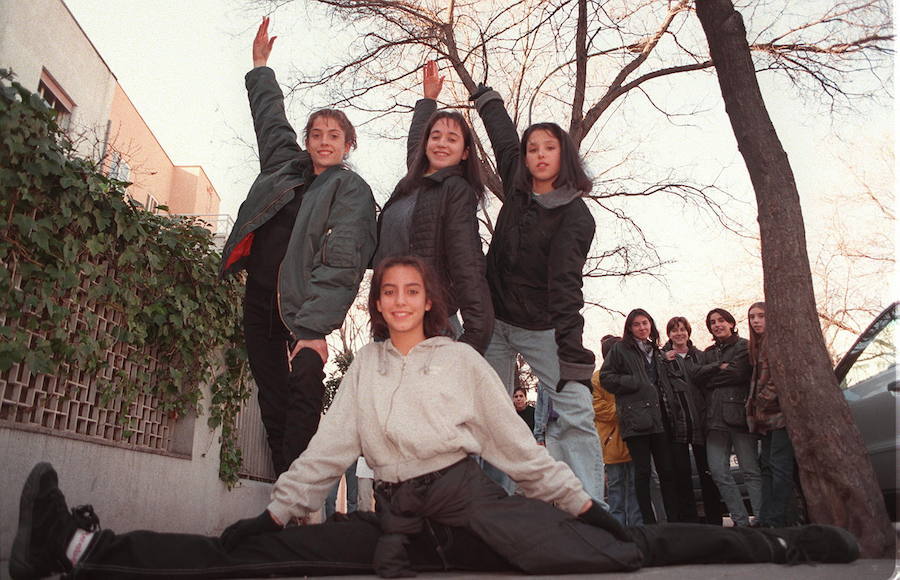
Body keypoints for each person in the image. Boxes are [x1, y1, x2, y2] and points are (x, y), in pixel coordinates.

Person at [11, 259, 860, 580]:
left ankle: (779, 544)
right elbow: (329, 452)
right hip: (393, 526)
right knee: (263, 555)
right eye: (390, 291)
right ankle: (84, 551)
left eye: (414, 291)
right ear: (377, 304)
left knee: (621, 549)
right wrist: (272, 512)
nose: (401, 300)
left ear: (430, 301)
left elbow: (515, 449)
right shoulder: (367, 370)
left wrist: (577, 504)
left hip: (478, 517)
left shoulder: (457, 362)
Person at [219, 17, 377, 475]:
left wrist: (313, 327)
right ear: (307, 141)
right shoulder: (286, 168)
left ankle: (301, 493)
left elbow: (343, 264)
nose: (324, 142)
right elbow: (270, 121)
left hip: (302, 312)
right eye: (317, 134)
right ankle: (284, 497)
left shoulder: (352, 192)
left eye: (334, 136)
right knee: (271, 399)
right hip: (259, 304)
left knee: (303, 392)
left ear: (348, 145)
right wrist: (260, 67)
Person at [468, 83, 605, 502]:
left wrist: (572, 357)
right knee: (485, 416)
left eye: (549, 147)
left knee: (575, 409)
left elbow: (565, 287)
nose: (539, 154)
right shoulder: (518, 185)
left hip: (542, 327)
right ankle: (486, 509)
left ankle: (588, 508)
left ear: (563, 156)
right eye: (534, 149)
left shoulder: (575, 217)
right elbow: (505, 141)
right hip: (495, 322)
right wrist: (487, 100)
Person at [372, 60, 493, 353]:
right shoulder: (413, 184)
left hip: (430, 324)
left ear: (465, 153)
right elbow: (415, 145)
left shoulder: (455, 191)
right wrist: (427, 101)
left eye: (452, 139)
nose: (441, 143)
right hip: (391, 317)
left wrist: (477, 331)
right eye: (435, 136)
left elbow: (467, 261)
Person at [600, 309, 680, 523]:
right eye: (637, 324)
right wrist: (633, 381)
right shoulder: (619, 349)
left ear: (651, 325)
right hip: (635, 421)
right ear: (630, 328)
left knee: (666, 472)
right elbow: (606, 378)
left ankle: (673, 522)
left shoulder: (655, 350)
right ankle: (648, 524)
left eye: (645, 323)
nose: (642, 328)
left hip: (659, 418)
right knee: (642, 474)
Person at [692, 308, 762, 527]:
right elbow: (698, 378)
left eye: (721, 320)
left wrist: (712, 375)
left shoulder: (743, 346)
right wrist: (717, 368)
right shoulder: (708, 352)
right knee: (718, 472)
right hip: (713, 421)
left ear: (731, 323)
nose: (717, 325)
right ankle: (740, 521)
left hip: (738, 417)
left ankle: (762, 519)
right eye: (712, 322)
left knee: (750, 471)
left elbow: (739, 373)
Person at [746, 302, 798, 527]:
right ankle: (767, 517)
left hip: (779, 416)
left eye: (761, 316)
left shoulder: (775, 342)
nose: (756, 321)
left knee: (779, 467)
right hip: (764, 419)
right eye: (752, 317)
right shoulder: (758, 345)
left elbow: (780, 379)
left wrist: (761, 401)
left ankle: (779, 519)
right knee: (766, 467)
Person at [661, 316, 714, 524]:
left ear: (688, 332)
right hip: (678, 424)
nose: (679, 333)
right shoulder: (663, 358)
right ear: (669, 334)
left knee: (707, 474)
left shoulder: (700, 356)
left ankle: (714, 520)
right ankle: (689, 522)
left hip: (702, 422)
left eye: (682, 329)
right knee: (682, 476)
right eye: (674, 330)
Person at [592, 335, 643, 527]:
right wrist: (625, 409)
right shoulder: (597, 379)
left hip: (635, 438)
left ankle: (637, 529)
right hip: (611, 442)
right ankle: (618, 529)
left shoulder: (632, 375)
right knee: (615, 489)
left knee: (634, 489)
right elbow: (598, 408)